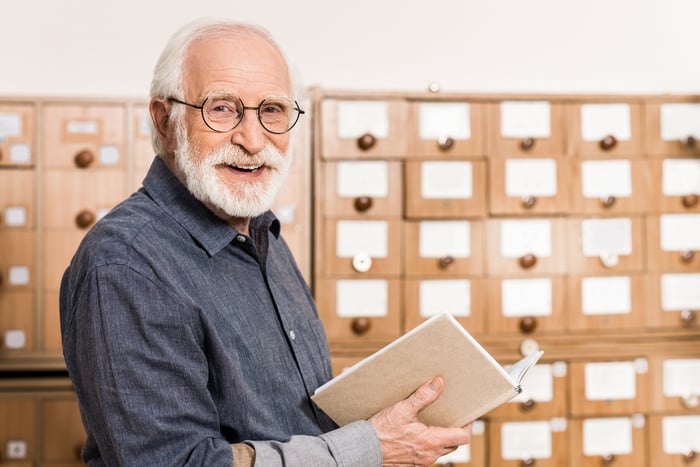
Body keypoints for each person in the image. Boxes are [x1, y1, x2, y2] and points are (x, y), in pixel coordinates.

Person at [59, 17, 473, 466]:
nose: (253, 140)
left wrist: (395, 424)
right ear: (165, 121)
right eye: (221, 108)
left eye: (272, 110)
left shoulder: (263, 234)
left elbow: (289, 422)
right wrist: (369, 448)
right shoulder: (125, 265)